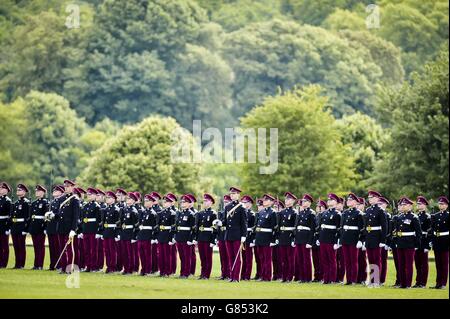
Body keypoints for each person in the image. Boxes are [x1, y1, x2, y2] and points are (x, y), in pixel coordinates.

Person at [394, 197, 422, 289]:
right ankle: (403, 284)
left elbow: (418, 233)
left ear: (410, 206)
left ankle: (408, 284)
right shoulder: (400, 217)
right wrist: (397, 242)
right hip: (400, 243)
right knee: (401, 264)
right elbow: (397, 231)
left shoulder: (414, 217)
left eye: (404, 205)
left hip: (410, 244)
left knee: (408, 265)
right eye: (401, 205)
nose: (402, 206)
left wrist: (417, 245)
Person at [56, 179, 80, 274]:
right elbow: (59, 214)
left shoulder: (75, 199)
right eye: (65, 186)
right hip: (61, 227)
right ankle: (63, 267)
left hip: (69, 228)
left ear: (72, 187)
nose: (66, 188)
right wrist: (53, 215)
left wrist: (73, 229)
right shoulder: (61, 199)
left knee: (70, 249)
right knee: (62, 248)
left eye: (68, 186)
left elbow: (76, 216)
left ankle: (69, 268)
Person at [364, 190, 387, 287]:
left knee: (377, 259)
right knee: (371, 259)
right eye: (369, 198)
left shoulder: (380, 210)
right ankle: (371, 280)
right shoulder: (368, 210)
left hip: (377, 237)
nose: (370, 199)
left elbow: (384, 226)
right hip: (369, 237)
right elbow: (365, 226)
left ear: (377, 199)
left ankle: (376, 281)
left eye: (372, 198)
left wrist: (382, 240)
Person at [224, 187, 248, 282]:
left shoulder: (242, 207)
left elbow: (244, 223)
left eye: (234, 194)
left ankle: (236, 277)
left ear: (238, 195)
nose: (232, 195)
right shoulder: (227, 207)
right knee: (230, 257)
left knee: (237, 258)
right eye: (231, 193)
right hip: (228, 235)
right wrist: (219, 223)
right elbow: (225, 221)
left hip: (238, 235)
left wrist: (244, 235)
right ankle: (231, 276)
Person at [340, 193, 364, 285]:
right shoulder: (345, 212)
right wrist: (341, 239)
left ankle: (353, 279)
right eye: (348, 200)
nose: (348, 202)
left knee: (353, 261)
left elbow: (361, 229)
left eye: (350, 200)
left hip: (354, 239)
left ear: (355, 202)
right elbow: (341, 227)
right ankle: (348, 279)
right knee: (347, 260)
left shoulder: (358, 213)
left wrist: (360, 240)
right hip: (345, 238)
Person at [318, 193, 341, 284]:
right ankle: (326, 278)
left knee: (332, 260)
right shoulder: (324, 213)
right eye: (328, 200)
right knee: (324, 260)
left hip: (331, 240)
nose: (329, 201)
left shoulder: (337, 214)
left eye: (331, 200)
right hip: (323, 239)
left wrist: (337, 241)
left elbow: (339, 229)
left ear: (335, 202)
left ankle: (332, 278)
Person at [254, 194, 277, 282]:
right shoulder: (261, 212)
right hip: (259, 237)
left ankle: (267, 276)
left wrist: (272, 240)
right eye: (264, 200)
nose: (264, 201)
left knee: (267, 259)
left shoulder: (273, 212)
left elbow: (273, 228)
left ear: (271, 202)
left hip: (267, 238)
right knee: (261, 258)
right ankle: (263, 275)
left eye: (266, 200)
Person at [293, 193, 315, 283]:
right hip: (299, 237)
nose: (303, 202)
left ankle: (308, 278)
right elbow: (297, 226)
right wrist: (295, 239)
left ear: (309, 203)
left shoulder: (311, 213)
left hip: (306, 238)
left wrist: (310, 242)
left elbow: (312, 229)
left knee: (306, 259)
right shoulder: (301, 213)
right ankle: (302, 277)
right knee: (300, 259)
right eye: (302, 201)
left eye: (305, 201)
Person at [195, 193, 218, 279]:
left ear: (211, 202)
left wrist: (213, 240)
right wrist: (196, 238)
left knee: (208, 257)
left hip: (208, 238)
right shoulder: (200, 213)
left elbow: (215, 229)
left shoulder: (213, 213)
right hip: (201, 237)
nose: (205, 202)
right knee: (202, 257)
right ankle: (202, 273)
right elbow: (197, 227)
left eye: (207, 201)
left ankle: (207, 274)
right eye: (204, 201)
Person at [175, 194, 196, 278]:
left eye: (184, 202)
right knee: (182, 257)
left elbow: (193, 229)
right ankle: (182, 272)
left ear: (189, 203)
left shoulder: (191, 214)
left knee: (187, 257)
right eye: (182, 202)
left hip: (187, 238)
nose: (182, 204)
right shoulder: (180, 213)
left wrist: (190, 239)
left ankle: (186, 273)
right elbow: (177, 226)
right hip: (180, 237)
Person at [28, 185, 49, 270]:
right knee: (36, 247)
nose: (37, 192)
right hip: (34, 227)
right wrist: (30, 228)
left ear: (43, 193)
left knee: (41, 247)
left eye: (39, 191)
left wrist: (45, 228)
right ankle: (36, 264)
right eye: (36, 191)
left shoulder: (45, 203)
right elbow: (31, 217)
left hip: (41, 227)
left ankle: (40, 264)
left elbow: (46, 217)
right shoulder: (33, 203)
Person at [430, 196, 449, 289]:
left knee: (444, 263)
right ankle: (438, 283)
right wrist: (432, 241)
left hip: (445, 241)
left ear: (446, 206)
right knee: (438, 264)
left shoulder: (448, 215)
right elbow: (433, 229)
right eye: (440, 204)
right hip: (437, 241)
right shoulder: (435, 215)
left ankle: (443, 284)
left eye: (442, 204)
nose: (440, 205)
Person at [80, 188, 101, 272]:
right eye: (88, 194)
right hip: (86, 230)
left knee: (93, 250)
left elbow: (99, 221)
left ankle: (93, 266)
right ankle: (87, 266)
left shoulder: (96, 206)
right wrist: (82, 230)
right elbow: (83, 219)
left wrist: (98, 231)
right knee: (86, 250)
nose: (88, 196)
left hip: (93, 230)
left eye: (90, 194)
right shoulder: (85, 206)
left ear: (95, 196)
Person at [156, 193, 177, 277]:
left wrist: (172, 237)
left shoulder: (172, 213)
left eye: (167, 202)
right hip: (161, 235)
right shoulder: (161, 213)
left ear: (170, 203)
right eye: (164, 202)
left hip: (168, 235)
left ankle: (168, 271)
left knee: (167, 255)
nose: (165, 203)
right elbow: (158, 225)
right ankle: (162, 271)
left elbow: (173, 227)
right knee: (161, 255)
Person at [137, 194, 158, 276]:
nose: (145, 202)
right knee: (141, 254)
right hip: (141, 235)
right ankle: (143, 269)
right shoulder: (143, 212)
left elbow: (154, 227)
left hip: (148, 235)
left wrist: (153, 237)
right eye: (145, 201)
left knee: (148, 254)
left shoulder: (153, 213)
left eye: (147, 201)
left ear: (152, 202)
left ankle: (148, 270)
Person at [44, 185, 64, 270]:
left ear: (61, 192)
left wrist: (54, 215)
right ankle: (52, 265)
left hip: (57, 226)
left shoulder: (62, 201)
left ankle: (59, 265)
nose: (54, 192)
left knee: (58, 247)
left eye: (57, 191)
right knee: (51, 248)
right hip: (50, 227)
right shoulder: (52, 202)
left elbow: (61, 214)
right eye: (54, 191)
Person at [413, 196, 431, 288]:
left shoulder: (427, 217)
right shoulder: (416, 216)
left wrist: (428, 245)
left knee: (424, 264)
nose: (419, 205)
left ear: (424, 205)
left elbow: (429, 232)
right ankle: (418, 282)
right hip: (417, 241)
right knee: (417, 263)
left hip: (424, 241)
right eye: (418, 204)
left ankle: (423, 283)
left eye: (420, 204)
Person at [11, 183, 30, 269]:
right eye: (17, 190)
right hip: (15, 226)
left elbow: (27, 217)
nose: (18, 191)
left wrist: (25, 229)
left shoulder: (26, 203)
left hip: (21, 226)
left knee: (21, 246)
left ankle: (21, 264)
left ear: (24, 192)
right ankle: (16, 264)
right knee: (16, 246)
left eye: (20, 190)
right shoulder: (15, 203)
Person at [119, 192, 139, 275]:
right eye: (127, 198)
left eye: (130, 199)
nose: (128, 200)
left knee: (130, 253)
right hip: (124, 233)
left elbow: (136, 225)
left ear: (134, 201)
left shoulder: (134, 211)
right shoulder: (124, 209)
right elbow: (121, 222)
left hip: (130, 233)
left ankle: (130, 269)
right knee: (124, 253)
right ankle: (126, 268)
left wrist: (134, 237)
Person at [101, 191, 120, 273]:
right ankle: (108, 266)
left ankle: (113, 267)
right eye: (107, 197)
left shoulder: (116, 209)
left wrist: (117, 234)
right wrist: (102, 232)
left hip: (112, 232)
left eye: (109, 198)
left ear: (113, 199)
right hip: (106, 231)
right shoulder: (106, 209)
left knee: (112, 251)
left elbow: (118, 223)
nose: (107, 199)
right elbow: (103, 221)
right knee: (107, 251)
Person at [240, 195, 255, 281]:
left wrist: (253, 239)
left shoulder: (252, 214)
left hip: (249, 236)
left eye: (245, 203)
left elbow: (253, 228)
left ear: (250, 204)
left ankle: (247, 275)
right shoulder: (242, 212)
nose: (244, 204)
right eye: (243, 202)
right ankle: (242, 275)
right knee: (243, 257)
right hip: (243, 236)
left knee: (248, 258)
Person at [377, 196, 392, 286]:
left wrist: (387, 242)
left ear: (385, 205)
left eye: (381, 204)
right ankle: (375, 278)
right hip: (377, 240)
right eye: (378, 204)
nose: (379, 205)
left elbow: (389, 230)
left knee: (383, 260)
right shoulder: (377, 213)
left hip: (384, 241)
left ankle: (382, 279)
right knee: (376, 260)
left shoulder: (387, 215)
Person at [217, 194, 231, 280]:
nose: (225, 203)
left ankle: (229, 274)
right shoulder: (221, 212)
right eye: (225, 202)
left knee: (229, 256)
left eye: (227, 202)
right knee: (222, 257)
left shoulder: (231, 212)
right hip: (221, 236)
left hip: (228, 235)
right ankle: (223, 274)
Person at [312, 199, 326, 282]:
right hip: (314, 238)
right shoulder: (316, 216)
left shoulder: (323, 216)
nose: (318, 208)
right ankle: (317, 276)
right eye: (317, 206)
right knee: (315, 259)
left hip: (321, 238)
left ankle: (322, 276)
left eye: (320, 206)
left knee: (322, 259)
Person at [149, 191, 162, 274]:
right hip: (148, 233)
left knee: (156, 252)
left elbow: (158, 223)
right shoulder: (149, 208)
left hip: (156, 233)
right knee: (150, 252)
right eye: (152, 198)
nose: (153, 200)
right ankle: (151, 268)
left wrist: (156, 235)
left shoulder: (159, 209)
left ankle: (156, 269)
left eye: (155, 198)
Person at [0, 182, 12, 268]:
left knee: (4, 245)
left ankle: (4, 263)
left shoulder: (8, 201)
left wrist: (8, 228)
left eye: (2, 188)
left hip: (4, 224)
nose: (0, 189)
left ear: (6, 190)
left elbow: (9, 215)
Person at [252, 198, 264, 280]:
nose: (259, 208)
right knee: (258, 258)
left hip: (263, 238)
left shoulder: (264, 214)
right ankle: (258, 274)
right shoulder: (258, 214)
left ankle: (263, 274)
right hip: (257, 238)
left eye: (261, 206)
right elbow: (255, 226)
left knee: (263, 258)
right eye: (258, 206)